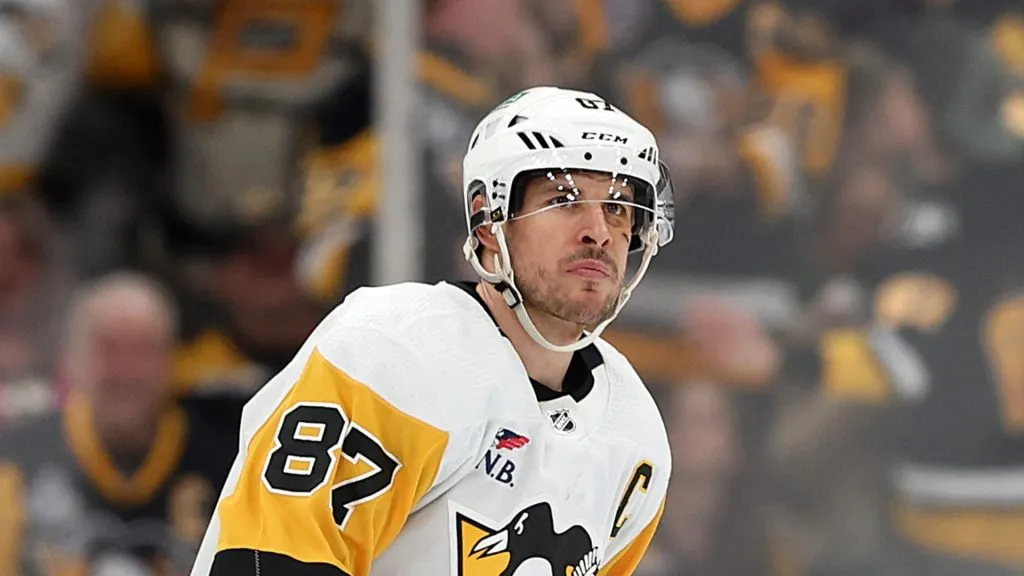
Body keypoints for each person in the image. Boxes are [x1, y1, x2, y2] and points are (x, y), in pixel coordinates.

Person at [190, 86, 676, 576]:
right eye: (564, 200)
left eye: (618, 207)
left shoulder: (634, 437)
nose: (599, 231)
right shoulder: (393, 353)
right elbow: (266, 561)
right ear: (488, 222)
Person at [0, 272, 234, 575]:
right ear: (72, 359)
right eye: (108, 349)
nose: (126, 371)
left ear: (172, 359)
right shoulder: (15, 461)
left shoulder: (224, 462)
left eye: (143, 350)